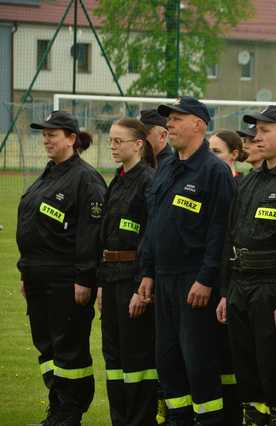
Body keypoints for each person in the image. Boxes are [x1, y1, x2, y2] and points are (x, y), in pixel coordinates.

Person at [139, 96, 234, 425]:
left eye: (178, 119)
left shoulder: (214, 171)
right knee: (168, 362)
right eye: (169, 119)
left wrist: (207, 278)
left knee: (199, 364)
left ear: (199, 124)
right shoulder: (166, 166)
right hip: (163, 279)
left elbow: (220, 230)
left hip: (193, 281)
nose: (170, 124)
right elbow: (155, 222)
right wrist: (148, 271)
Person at [216, 106, 276, 426]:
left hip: (272, 290)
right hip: (241, 286)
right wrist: (226, 291)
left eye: (266, 129)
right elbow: (232, 236)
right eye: (257, 129)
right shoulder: (252, 181)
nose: (257, 135)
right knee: (247, 369)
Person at [17, 111, 106, 425]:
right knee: (47, 348)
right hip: (39, 278)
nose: (46, 139)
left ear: (71, 138)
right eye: (43, 134)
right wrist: (25, 272)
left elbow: (90, 234)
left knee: (69, 349)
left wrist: (85, 278)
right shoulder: (50, 173)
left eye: (52, 134)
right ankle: (57, 407)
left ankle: (70, 412)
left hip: (66, 279)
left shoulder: (85, 178)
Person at [98, 117, 157, 425]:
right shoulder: (118, 179)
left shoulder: (149, 181)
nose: (112, 146)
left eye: (118, 141)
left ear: (138, 144)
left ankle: (139, 419)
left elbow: (151, 237)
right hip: (110, 278)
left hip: (132, 278)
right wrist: (99, 283)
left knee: (136, 358)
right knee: (113, 356)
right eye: (110, 140)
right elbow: (105, 235)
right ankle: (119, 419)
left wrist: (140, 286)